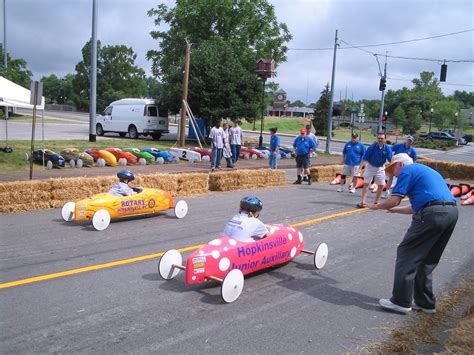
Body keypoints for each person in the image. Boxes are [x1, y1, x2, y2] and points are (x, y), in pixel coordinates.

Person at [367, 153, 458, 314]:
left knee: (406, 252)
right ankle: (426, 303)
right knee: (428, 259)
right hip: (450, 212)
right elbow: (418, 207)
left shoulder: (407, 171)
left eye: (392, 168)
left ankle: (400, 301)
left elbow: (395, 199)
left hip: (433, 213)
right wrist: (394, 210)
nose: (392, 173)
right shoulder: (425, 171)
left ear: (400, 165)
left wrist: (377, 205)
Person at [357, 133, 392, 208]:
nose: (380, 140)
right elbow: (365, 158)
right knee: (366, 184)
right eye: (379, 138)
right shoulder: (372, 147)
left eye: (382, 138)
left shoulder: (387, 149)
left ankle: (376, 202)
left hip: (380, 167)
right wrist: (360, 169)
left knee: (381, 185)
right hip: (370, 166)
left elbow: (391, 160)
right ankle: (363, 201)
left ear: (385, 140)